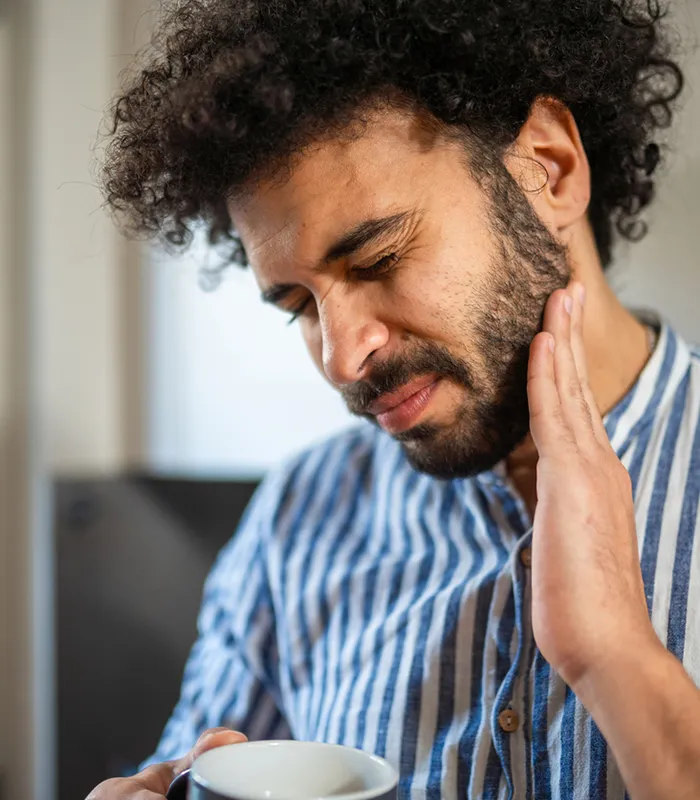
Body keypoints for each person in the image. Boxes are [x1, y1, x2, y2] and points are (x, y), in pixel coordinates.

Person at [89, 0, 700, 798]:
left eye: (378, 259)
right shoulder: (296, 524)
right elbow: (194, 774)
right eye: (300, 306)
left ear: (548, 169)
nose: (343, 358)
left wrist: (616, 656)